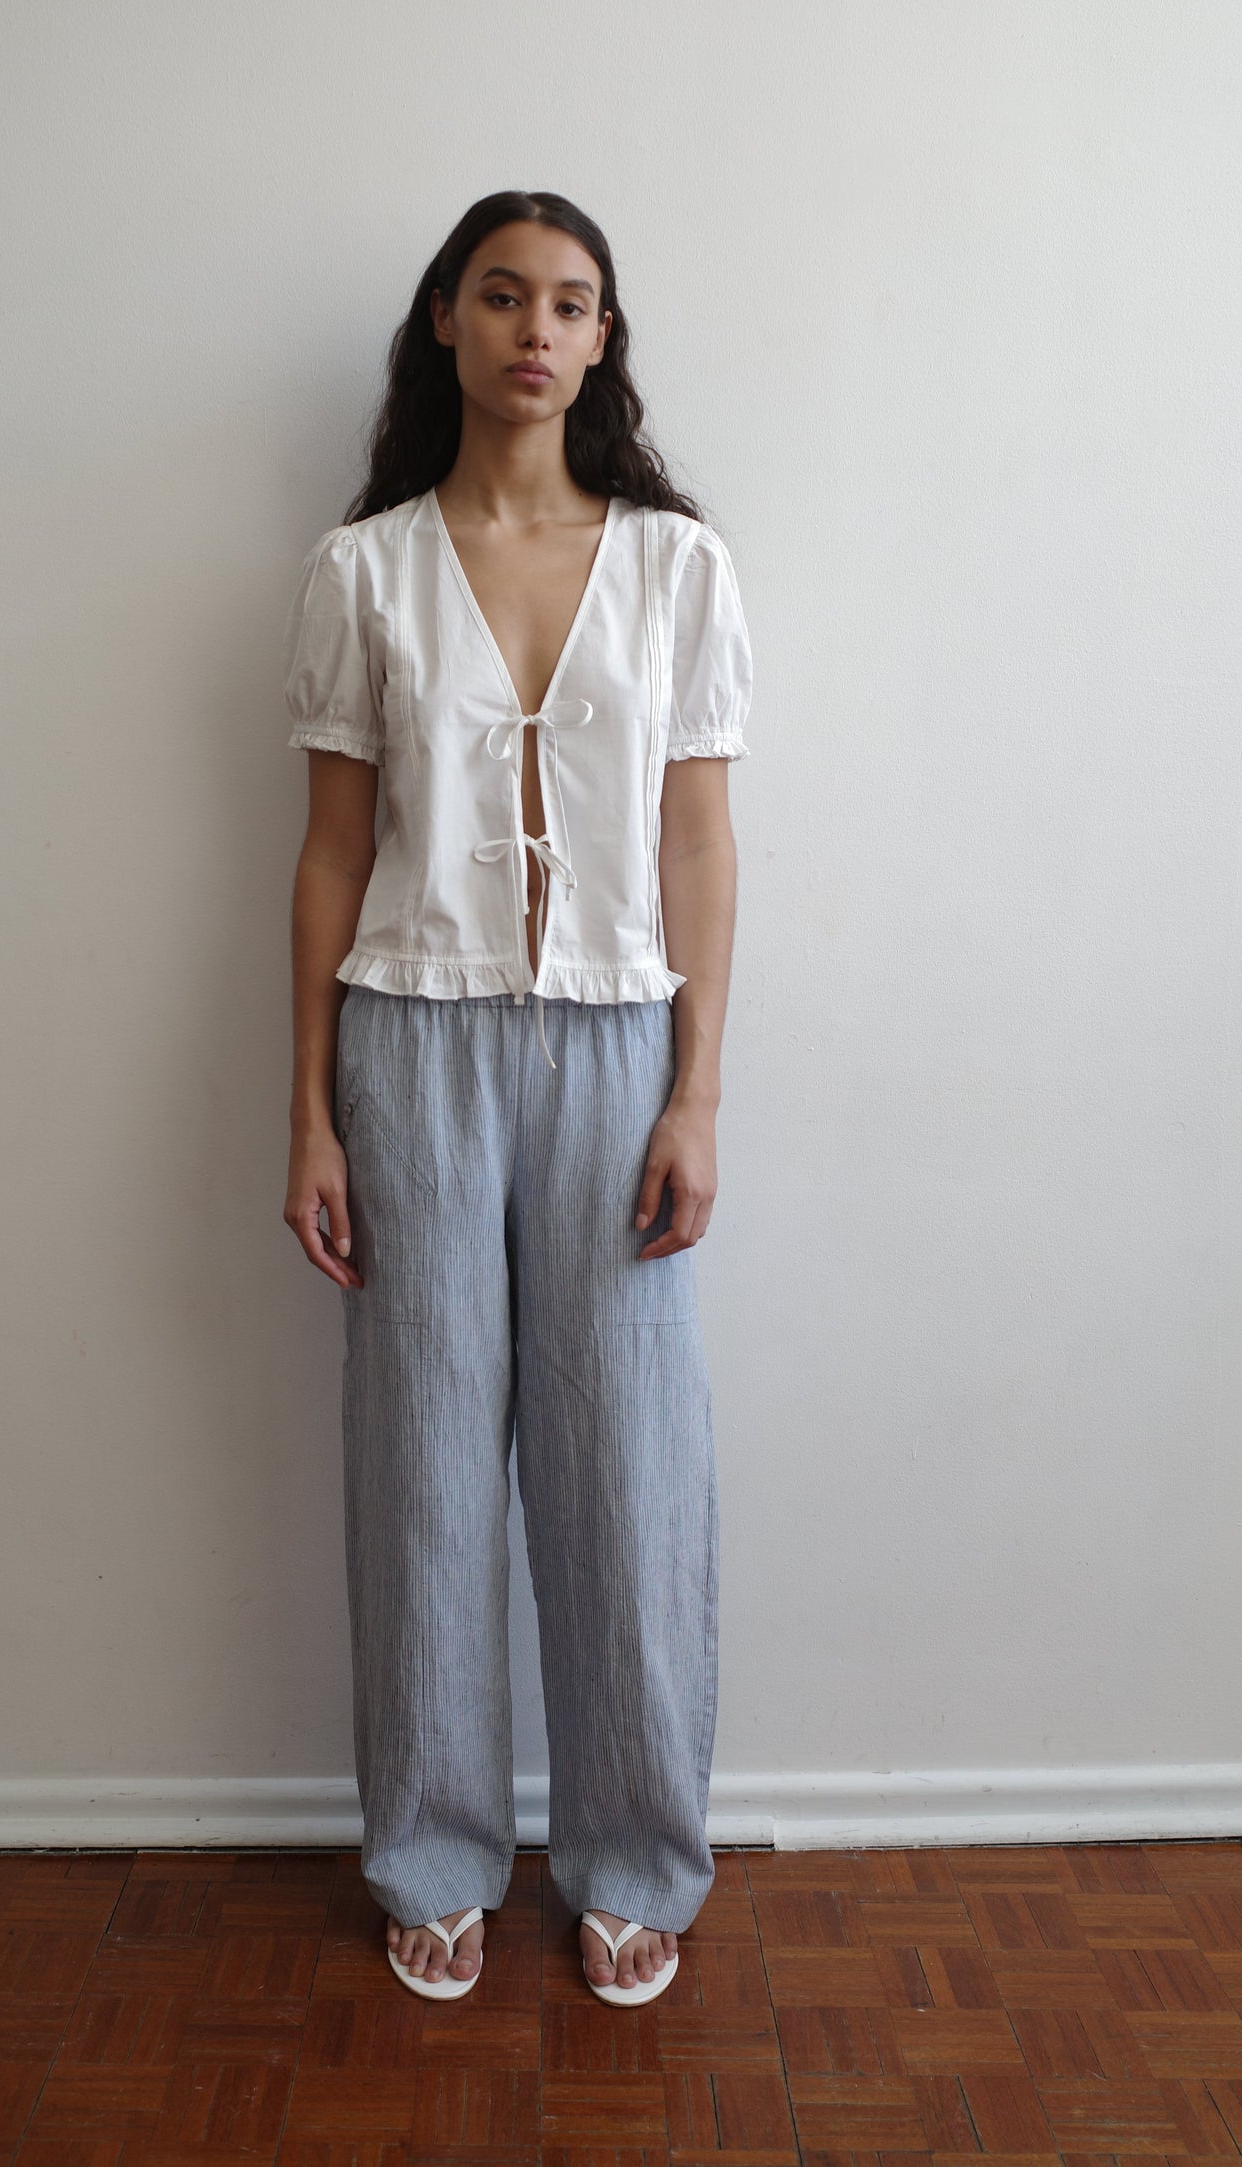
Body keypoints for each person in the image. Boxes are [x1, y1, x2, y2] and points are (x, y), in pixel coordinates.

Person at [281, 189, 753, 2007]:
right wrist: (310, 1110)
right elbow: (329, 859)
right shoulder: (362, 571)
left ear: (603, 339)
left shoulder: (678, 567)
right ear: (446, 326)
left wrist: (697, 1090)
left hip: (618, 1043)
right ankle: (433, 1850)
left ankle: (635, 1853)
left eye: (570, 301)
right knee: (419, 1469)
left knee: (629, 1465)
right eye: (500, 296)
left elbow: (699, 842)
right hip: (408, 1043)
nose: (534, 330)